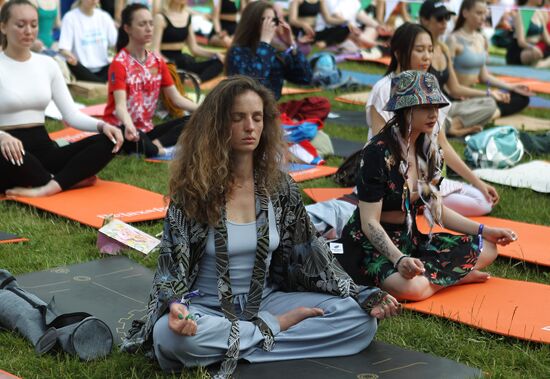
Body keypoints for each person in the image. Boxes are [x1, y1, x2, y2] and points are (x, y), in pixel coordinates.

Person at [119, 76, 400, 377]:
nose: (250, 127)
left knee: (359, 321)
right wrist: (175, 306)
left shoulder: (279, 189)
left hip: (267, 299)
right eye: (237, 118)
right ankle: (267, 331)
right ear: (217, 126)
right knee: (170, 336)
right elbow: (170, 269)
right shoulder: (194, 191)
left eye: (256, 118)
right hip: (208, 309)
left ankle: (237, 342)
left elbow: (314, 254)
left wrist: (358, 293)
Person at [341, 70, 517, 301]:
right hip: (371, 247)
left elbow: (438, 209)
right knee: (410, 289)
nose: (433, 114)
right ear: (405, 110)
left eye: (436, 107)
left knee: (488, 247)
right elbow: (370, 223)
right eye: (425, 107)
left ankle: (439, 278)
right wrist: (399, 259)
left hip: (410, 240)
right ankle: (454, 276)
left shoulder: (429, 151)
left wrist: (484, 230)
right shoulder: (377, 153)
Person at [367, 22, 499, 217]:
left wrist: (477, 182)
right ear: (398, 52)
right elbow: (380, 147)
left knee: (483, 200)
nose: (427, 56)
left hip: (426, 179)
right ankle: (414, 203)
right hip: (395, 182)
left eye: (430, 50)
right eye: (420, 50)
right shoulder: (384, 89)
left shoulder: (429, 85)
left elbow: (441, 142)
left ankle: (423, 202)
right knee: (480, 205)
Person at [0, 0, 123, 197]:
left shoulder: (48, 64)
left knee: (108, 140)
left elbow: (71, 114)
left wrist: (102, 126)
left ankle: (48, 185)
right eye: (20, 25)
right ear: (3, 26)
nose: (28, 31)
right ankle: (65, 179)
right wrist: (2, 137)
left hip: (45, 149)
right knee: (9, 156)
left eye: (33, 24)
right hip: (8, 150)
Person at [103, 3, 198, 158]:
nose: (149, 29)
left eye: (151, 24)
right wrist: (128, 125)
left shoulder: (157, 61)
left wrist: (205, 109)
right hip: (121, 129)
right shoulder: (119, 63)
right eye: (142, 24)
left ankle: (156, 146)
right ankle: (156, 149)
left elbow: (176, 99)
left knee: (194, 119)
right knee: (145, 145)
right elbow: (120, 106)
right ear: (127, 28)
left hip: (146, 130)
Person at [420, 0, 507, 137]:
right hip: (426, 107)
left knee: (490, 103)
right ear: (424, 20)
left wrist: (490, 93)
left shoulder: (443, 49)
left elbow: (455, 88)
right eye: (439, 18)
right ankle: (448, 126)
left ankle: (451, 125)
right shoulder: (419, 49)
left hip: (446, 105)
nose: (444, 22)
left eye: (447, 18)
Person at [447, 0, 532, 117]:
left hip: (474, 95)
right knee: (491, 101)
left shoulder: (481, 38)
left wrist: (512, 87)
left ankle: (488, 114)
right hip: (457, 96)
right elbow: (452, 87)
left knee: (521, 97)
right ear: (465, 13)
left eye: (484, 13)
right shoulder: (453, 40)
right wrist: (489, 93)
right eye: (478, 13)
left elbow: (484, 76)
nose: (483, 17)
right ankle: (485, 114)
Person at [226, 1, 312, 100]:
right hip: (247, 109)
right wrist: (264, 44)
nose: (269, 25)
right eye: (265, 20)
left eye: (273, 20)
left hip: (271, 110)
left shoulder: (275, 50)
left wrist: (291, 45)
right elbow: (253, 85)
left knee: (319, 104)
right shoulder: (237, 50)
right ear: (251, 21)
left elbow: (305, 78)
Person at [151, 0, 224, 83]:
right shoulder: (160, 18)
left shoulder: (187, 16)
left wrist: (215, 54)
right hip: (166, 61)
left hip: (182, 61)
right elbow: (155, 50)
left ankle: (197, 80)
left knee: (218, 62)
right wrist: (169, 64)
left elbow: (194, 48)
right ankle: (184, 78)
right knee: (170, 71)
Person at [58, 0, 118, 82]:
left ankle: (100, 83)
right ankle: (102, 84)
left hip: (104, 67)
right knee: (72, 63)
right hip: (82, 69)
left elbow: (116, 43)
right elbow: (64, 49)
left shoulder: (104, 17)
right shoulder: (70, 18)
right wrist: (70, 57)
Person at [506, 0, 550, 67]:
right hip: (519, 51)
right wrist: (533, 47)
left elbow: (546, 38)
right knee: (536, 54)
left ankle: (538, 65)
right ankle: (538, 65)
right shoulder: (522, 12)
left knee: (539, 54)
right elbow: (521, 42)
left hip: (534, 50)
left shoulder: (540, 13)